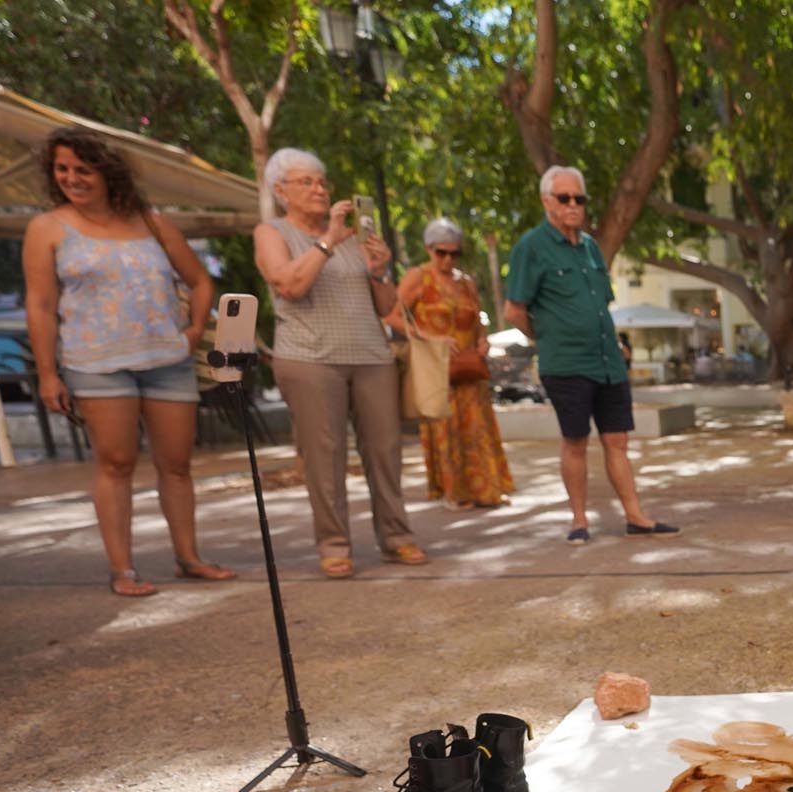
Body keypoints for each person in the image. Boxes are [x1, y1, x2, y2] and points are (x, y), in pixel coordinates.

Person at [22, 127, 233, 597]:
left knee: (177, 464)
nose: (71, 178)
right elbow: (39, 305)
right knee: (116, 462)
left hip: (167, 360)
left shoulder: (151, 221)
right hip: (97, 362)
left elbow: (200, 281)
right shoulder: (47, 229)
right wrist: (47, 373)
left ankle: (189, 558)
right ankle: (123, 570)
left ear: (107, 171)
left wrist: (195, 329)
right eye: (62, 168)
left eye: (82, 169)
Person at [255, 148, 426, 577]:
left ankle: (397, 537)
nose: (319, 189)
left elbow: (386, 306)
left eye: (322, 181)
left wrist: (379, 272)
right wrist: (329, 239)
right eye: (306, 182)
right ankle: (334, 545)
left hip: (370, 355)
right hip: (310, 358)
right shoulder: (271, 232)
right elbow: (290, 284)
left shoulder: (355, 239)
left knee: (385, 451)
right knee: (325, 456)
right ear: (281, 191)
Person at [505, 165, 676, 544]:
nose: (572, 205)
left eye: (578, 199)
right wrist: (548, 337)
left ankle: (635, 516)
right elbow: (514, 310)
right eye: (564, 198)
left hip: (606, 361)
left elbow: (603, 303)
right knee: (576, 441)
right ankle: (579, 520)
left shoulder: (591, 247)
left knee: (618, 441)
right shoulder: (531, 248)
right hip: (566, 363)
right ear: (546, 201)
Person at [397, 218, 514, 510]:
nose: (448, 259)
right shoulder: (417, 277)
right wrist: (424, 336)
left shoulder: (467, 282)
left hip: (469, 366)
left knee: (477, 428)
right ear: (429, 250)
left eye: (454, 253)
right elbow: (393, 315)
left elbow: (478, 319)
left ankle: (487, 489)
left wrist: (483, 340)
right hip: (437, 368)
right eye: (441, 252)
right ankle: (454, 491)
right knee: (445, 428)